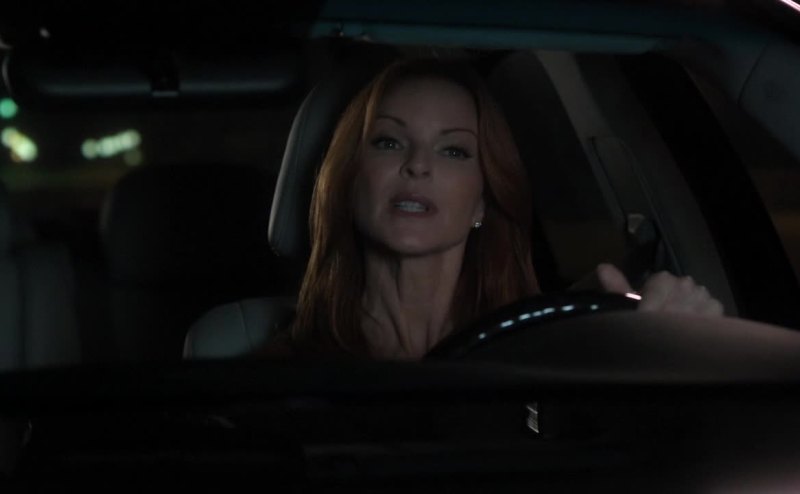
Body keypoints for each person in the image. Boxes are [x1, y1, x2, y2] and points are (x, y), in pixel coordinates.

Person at [268, 58, 723, 360]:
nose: (418, 164)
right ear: (347, 182)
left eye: (453, 151)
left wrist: (685, 350)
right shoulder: (281, 374)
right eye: (389, 142)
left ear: (482, 202)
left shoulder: (550, 349)